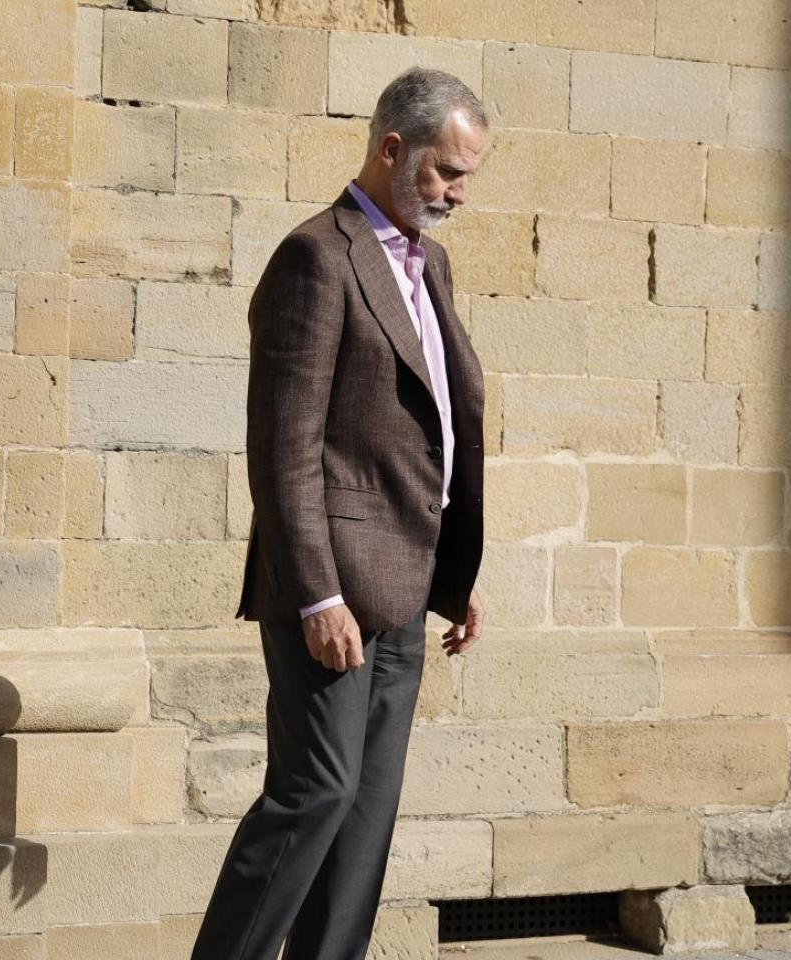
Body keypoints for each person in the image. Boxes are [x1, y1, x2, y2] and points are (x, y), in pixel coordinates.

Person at [190, 67, 491, 960]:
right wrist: (317, 595)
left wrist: (457, 572)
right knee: (315, 790)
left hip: (408, 580)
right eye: (446, 171)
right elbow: (285, 447)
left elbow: (435, 424)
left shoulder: (430, 264)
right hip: (333, 593)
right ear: (391, 148)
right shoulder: (318, 256)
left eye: (469, 175)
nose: (458, 194)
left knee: (364, 820)